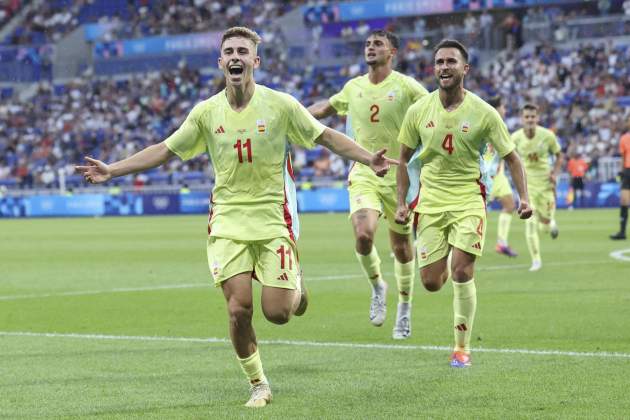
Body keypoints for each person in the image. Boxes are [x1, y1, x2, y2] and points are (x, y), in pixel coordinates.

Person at [75, 27, 397, 408]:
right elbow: (165, 150)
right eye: (229, 50)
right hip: (227, 221)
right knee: (238, 307)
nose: (236, 56)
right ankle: (258, 383)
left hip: (273, 219)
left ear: (255, 61)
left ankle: (296, 286)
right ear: (220, 62)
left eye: (243, 50)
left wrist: (366, 157)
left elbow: (326, 135)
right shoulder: (207, 112)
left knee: (277, 314)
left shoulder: (280, 105)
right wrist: (113, 170)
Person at [395, 39, 532, 368]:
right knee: (430, 281)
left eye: (451, 62)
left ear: (465, 69)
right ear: (434, 68)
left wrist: (524, 197)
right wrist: (401, 202)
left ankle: (461, 347)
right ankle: (444, 264)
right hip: (429, 203)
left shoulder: (484, 113)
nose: (444, 67)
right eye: (439, 62)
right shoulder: (418, 111)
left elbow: (512, 158)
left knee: (461, 271)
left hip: (469, 200)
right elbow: (402, 158)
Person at [307, 30, 428, 339]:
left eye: (378, 44)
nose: (370, 48)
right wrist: (295, 116)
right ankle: (378, 286)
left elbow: (433, 113)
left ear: (393, 53)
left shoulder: (406, 87)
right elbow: (327, 108)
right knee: (363, 235)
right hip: (364, 171)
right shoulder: (354, 87)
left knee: (402, 248)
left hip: (400, 175)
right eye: (368, 44)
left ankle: (404, 307)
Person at [512, 104, 563, 271]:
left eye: (532, 117)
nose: (530, 120)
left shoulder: (548, 136)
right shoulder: (515, 138)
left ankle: (551, 222)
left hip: (545, 185)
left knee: (545, 224)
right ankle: (536, 260)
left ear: (537, 118)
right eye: (527, 117)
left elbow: (559, 155)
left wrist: (555, 173)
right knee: (530, 223)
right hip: (528, 186)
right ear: (522, 119)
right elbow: (510, 159)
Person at [484, 96, 518, 257]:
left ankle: (501, 243)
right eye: (503, 107)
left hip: (498, 174)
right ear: (496, 109)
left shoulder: (501, 125)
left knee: (510, 205)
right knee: (478, 214)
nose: (505, 110)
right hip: (485, 176)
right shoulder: (486, 124)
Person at [610, 128, 630, 240]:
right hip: (628, 171)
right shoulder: (624, 138)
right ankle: (622, 232)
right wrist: (621, 171)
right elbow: (623, 157)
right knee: (624, 201)